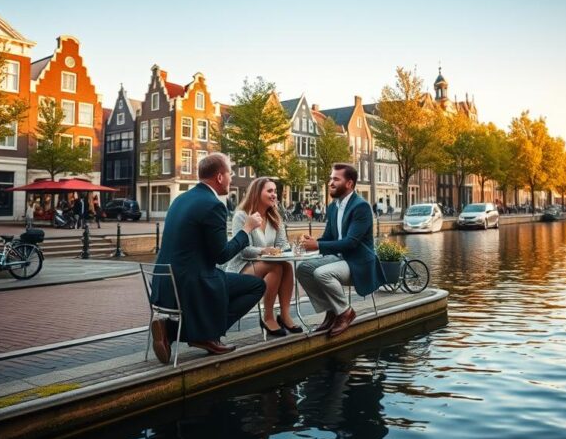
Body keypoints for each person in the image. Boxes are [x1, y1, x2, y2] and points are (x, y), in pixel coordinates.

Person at [149, 152, 265, 361]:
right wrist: (246, 230)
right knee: (256, 286)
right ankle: (192, 333)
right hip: (191, 285)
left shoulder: (180, 199)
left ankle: (194, 332)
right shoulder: (213, 205)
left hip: (164, 283)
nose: (231, 178)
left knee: (230, 282)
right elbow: (222, 256)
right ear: (220, 177)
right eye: (230, 173)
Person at [297, 163, 388, 338]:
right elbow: (330, 238)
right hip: (339, 260)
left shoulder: (361, 207)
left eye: (336, 179)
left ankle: (346, 312)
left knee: (322, 274)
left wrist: (318, 246)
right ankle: (332, 311)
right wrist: (314, 242)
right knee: (302, 269)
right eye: (331, 178)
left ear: (349, 184)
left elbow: (351, 243)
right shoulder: (332, 207)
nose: (330, 182)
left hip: (358, 263)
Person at [224, 177, 303, 337]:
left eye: (275, 191)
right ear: (257, 193)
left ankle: (285, 315)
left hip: (266, 263)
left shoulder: (275, 216)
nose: (274, 194)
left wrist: (289, 249)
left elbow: (282, 244)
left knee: (286, 265)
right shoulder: (241, 216)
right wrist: (264, 251)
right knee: (275, 267)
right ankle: (267, 317)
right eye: (269, 191)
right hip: (241, 267)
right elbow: (243, 250)